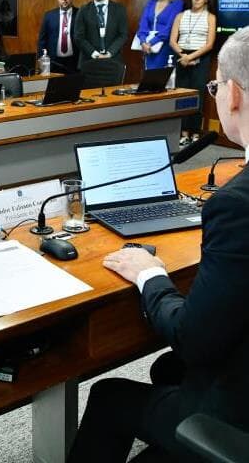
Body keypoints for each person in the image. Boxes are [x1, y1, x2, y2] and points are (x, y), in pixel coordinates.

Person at [67, 25, 249, 463]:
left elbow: (192, 339)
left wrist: (150, 275)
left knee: (110, 395)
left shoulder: (236, 206)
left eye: (214, 87)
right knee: (166, 369)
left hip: (237, 410)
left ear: (234, 95)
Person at [170, 0, 216, 145]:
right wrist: (183, 55)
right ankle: (183, 133)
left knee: (197, 95)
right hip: (182, 56)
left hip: (200, 57)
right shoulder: (180, 16)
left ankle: (195, 132)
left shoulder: (210, 17)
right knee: (182, 96)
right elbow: (172, 40)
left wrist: (191, 57)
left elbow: (209, 44)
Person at [73, 0, 128, 86]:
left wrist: (109, 53)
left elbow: (123, 35)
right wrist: (95, 54)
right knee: (89, 95)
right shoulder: (83, 10)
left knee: (112, 94)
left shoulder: (119, 9)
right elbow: (79, 37)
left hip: (113, 62)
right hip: (89, 62)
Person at [134, 0, 184, 70]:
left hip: (165, 46)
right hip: (147, 47)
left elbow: (169, 28)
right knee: (149, 75)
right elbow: (143, 24)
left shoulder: (177, 3)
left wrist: (151, 42)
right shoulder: (151, 2)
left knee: (160, 75)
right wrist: (143, 42)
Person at [37, 0, 79, 74]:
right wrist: (41, 60)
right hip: (54, 61)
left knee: (74, 82)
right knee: (54, 83)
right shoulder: (49, 16)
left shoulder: (80, 14)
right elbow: (42, 40)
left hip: (74, 61)